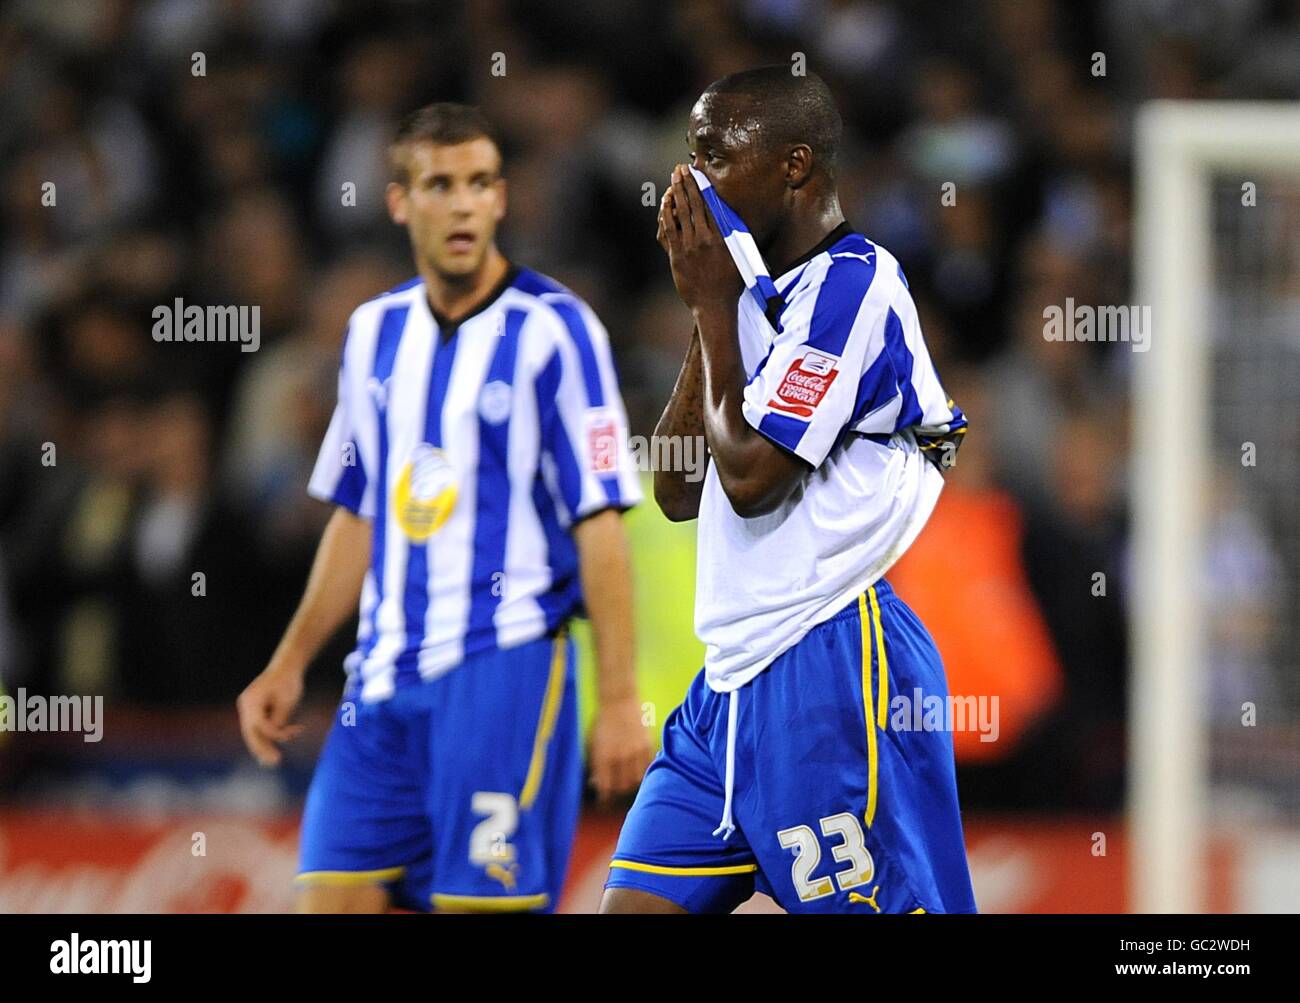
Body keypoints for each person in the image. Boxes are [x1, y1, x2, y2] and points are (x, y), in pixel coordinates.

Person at [237, 103, 652, 913]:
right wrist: (289, 661)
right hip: (382, 677)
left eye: (479, 184)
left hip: (505, 667)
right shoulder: (371, 332)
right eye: (439, 184)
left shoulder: (557, 331)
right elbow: (357, 515)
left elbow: (599, 521)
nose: (462, 204)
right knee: (329, 900)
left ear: (500, 199)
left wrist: (619, 700)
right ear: (399, 201)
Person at [600, 67, 978, 914]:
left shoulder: (857, 285)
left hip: (832, 663)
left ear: (794, 165)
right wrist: (718, 310)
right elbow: (679, 489)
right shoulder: (749, 294)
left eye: (712, 155)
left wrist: (710, 308)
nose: (690, 181)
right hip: (725, 687)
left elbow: (755, 477)